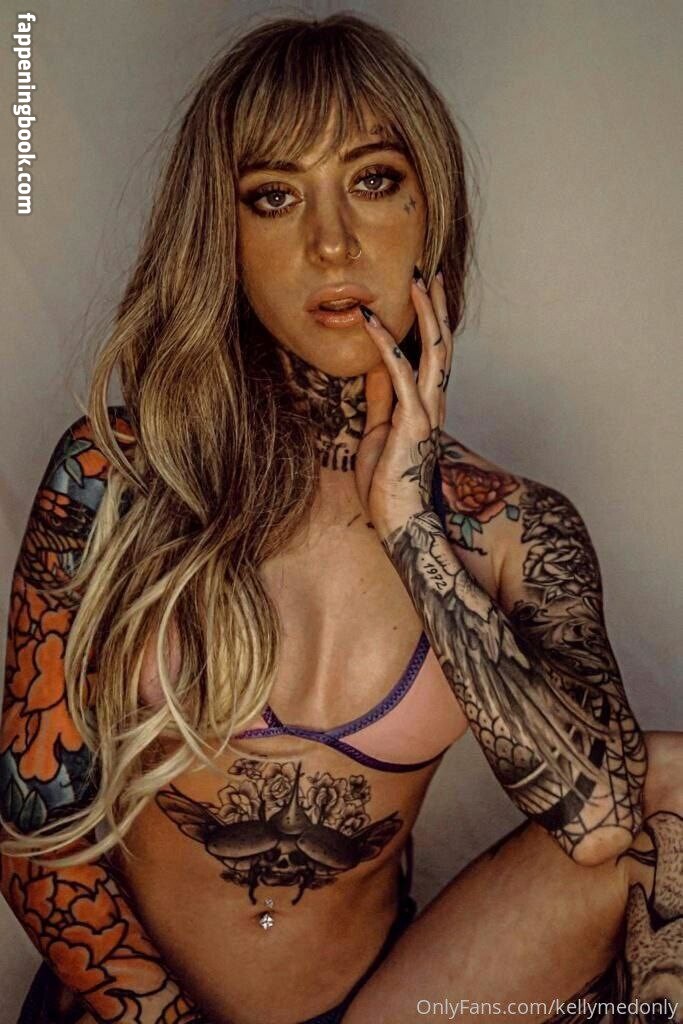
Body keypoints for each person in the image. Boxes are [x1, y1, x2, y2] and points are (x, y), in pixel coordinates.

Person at [1, 13, 682, 1024]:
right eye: (274, 196)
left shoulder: (511, 528)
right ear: (224, 235)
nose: (331, 242)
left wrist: (411, 527)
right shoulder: (118, 470)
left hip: (374, 1008)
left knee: (675, 789)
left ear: (428, 209)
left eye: (371, 180)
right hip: (131, 1013)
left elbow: (605, 826)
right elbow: (34, 837)